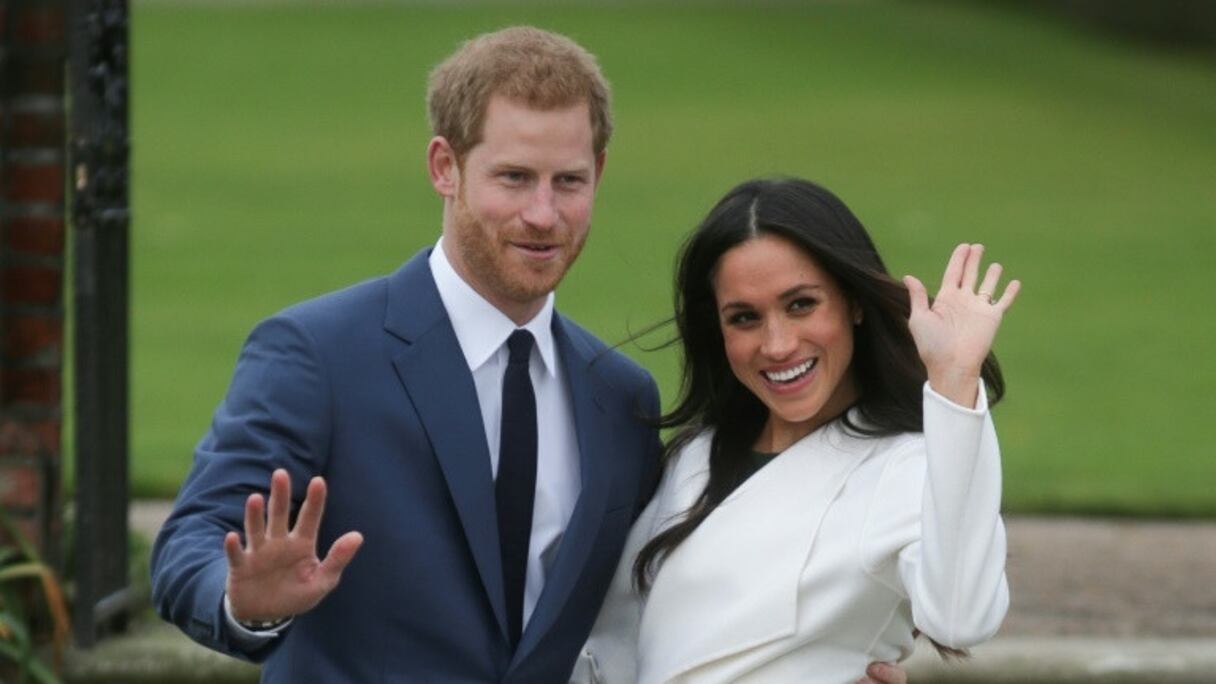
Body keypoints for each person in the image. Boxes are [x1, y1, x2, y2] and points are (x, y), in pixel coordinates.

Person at [150, 27, 910, 684]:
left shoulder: (620, 398)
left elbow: (669, 599)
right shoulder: (318, 353)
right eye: (513, 177)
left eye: (569, 182)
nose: (544, 215)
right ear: (445, 167)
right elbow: (190, 542)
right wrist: (240, 602)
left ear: (599, 175)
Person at [574, 178, 1018, 683]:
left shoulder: (906, 466)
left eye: (801, 304)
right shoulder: (695, 454)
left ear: (852, 302)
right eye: (744, 317)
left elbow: (961, 618)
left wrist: (955, 382)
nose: (778, 343)